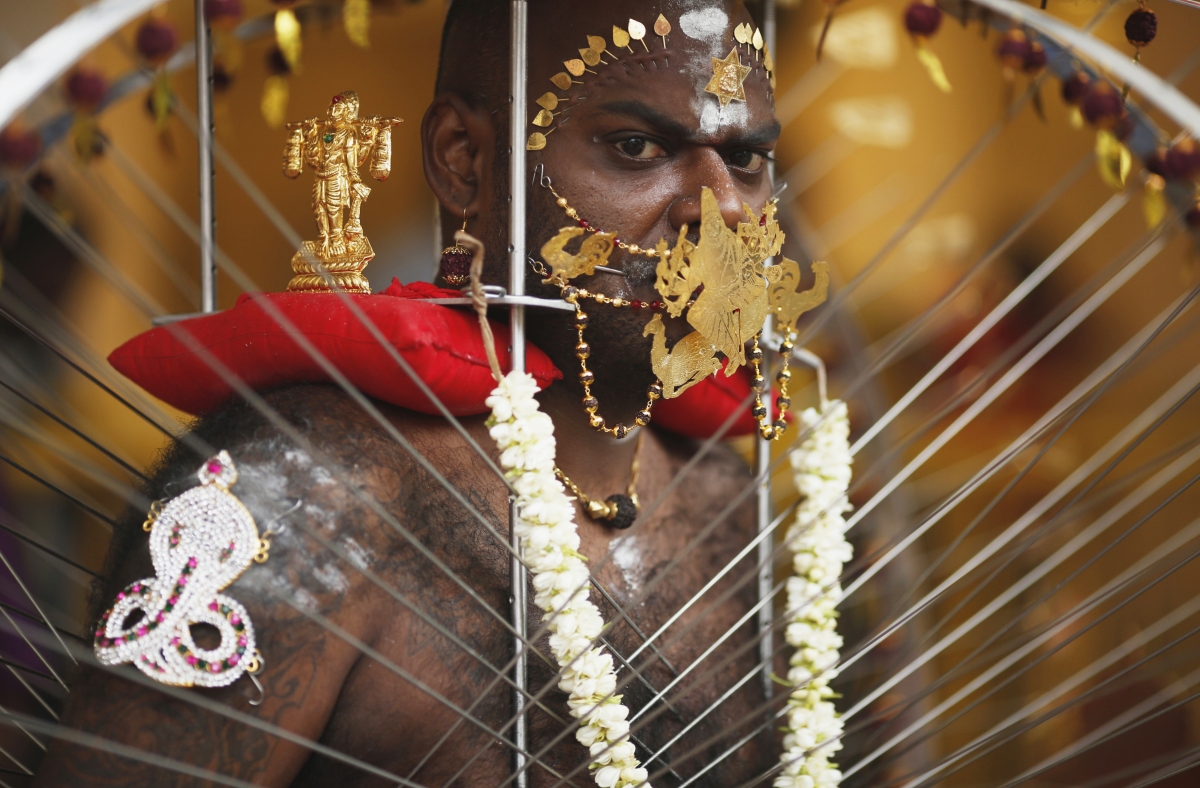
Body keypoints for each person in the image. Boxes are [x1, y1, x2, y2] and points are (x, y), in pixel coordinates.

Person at [33, 0, 787, 784]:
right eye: (637, 146)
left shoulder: (727, 503)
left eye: (746, 161)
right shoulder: (304, 490)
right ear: (463, 160)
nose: (722, 208)